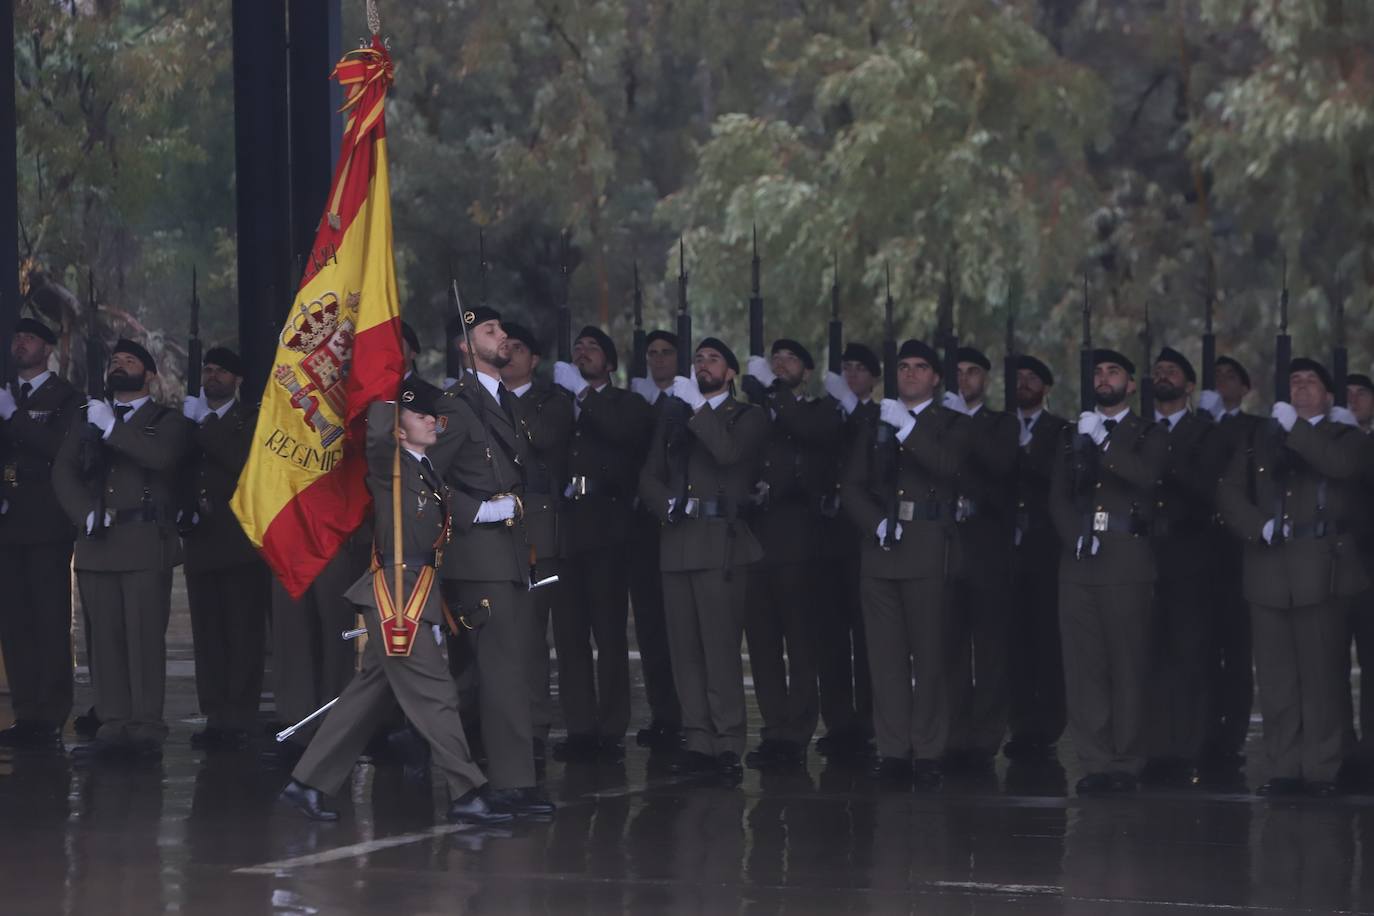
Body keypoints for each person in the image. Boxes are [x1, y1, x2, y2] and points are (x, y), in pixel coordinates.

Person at [279, 384, 511, 825]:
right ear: (399, 431)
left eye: (431, 414)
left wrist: (488, 510)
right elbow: (378, 436)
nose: (430, 419)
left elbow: (449, 511)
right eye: (417, 414)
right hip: (396, 599)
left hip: (417, 591)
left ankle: (305, 784)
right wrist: (385, 387)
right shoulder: (392, 467)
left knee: (364, 699)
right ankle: (468, 792)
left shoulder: (425, 471)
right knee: (437, 693)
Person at [1218, 358, 1371, 797]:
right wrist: (1257, 525)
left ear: (1327, 396)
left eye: (1311, 383)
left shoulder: (1346, 437)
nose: (1301, 389)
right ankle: (1284, 767)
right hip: (1269, 567)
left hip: (1321, 568)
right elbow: (1229, 490)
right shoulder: (1259, 437)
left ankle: (1321, 769)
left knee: (1321, 677)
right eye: (1294, 383)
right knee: (1278, 679)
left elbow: (1340, 468)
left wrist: (1297, 431)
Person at [431, 306, 554, 817]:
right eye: (489, 331)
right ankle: (508, 782)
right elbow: (422, 475)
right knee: (499, 671)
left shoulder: (503, 400)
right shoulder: (456, 406)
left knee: (507, 669)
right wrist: (474, 510)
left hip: (509, 552)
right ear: (465, 346)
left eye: (503, 329)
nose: (502, 336)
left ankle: (502, 776)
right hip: (477, 557)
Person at [52, 339, 191, 760]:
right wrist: (84, 515)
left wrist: (113, 429)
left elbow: (161, 458)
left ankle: (146, 727)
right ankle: (112, 726)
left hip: (143, 543)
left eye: (130, 361)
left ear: (149, 375)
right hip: (97, 544)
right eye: (115, 360)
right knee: (104, 643)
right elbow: (63, 472)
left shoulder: (167, 421)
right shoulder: (89, 418)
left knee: (143, 638)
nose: (120, 365)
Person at [840, 339, 968, 789]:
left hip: (929, 548)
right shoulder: (875, 420)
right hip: (882, 550)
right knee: (885, 659)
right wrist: (875, 525)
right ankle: (893, 750)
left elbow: (950, 467)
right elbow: (851, 485)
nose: (910, 374)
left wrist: (908, 432)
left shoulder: (950, 422)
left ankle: (929, 750)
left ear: (935, 377)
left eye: (919, 368)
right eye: (903, 367)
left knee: (930, 657)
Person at [638, 337, 767, 781]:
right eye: (698, 359)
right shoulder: (673, 415)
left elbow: (730, 457)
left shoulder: (747, 416)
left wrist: (698, 410)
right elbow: (649, 476)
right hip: (677, 541)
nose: (703, 365)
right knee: (685, 651)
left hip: (720, 543)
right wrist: (664, 502)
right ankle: (698, 739)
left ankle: (728, 742)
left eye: (714, 359)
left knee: (719, 648)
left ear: (730, 373)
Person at [1049, 348, 1167, 794]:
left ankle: (1127, 762)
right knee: (1085, 668)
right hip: (1080, 559)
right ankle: (1094, 762)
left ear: (1131, 384)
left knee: (1127, 664)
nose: (1103, 378)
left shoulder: (1147, 433)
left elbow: (1146, 476)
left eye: (1113, 371)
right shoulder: (1070, 434)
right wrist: (1072, 534)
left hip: (1126, 557)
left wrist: (1104, 442)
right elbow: (1058, 496)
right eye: (1097, 372)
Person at [550, 326, 653, 761]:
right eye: (578, 347)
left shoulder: (626, 402)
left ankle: (611, 729)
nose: (582, 353)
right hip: (566, 527)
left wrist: (584, 398)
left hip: (608, 525)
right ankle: (579, 727)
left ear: (609, 363)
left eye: (593, 348)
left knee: (609, 635)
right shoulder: (556, 402)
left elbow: (623, 436)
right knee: (570, 636)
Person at [740, 338, 841, 768]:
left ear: (808, 372)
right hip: (757, 540)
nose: (781, 364)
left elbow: (807, 431)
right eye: (775, 358)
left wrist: (772, 392)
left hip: (799, 541)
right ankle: (774, 728)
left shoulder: (818, 409)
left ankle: (797, 732)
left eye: (791, 360)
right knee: (763, 646)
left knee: (800, 645)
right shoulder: (755, 411)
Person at [1143, 347, 1228, 787]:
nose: (1163, 377)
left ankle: (1190, 749)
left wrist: (1159, 453)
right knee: (1150, 656)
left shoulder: (1205, 432)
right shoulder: (1137, 430)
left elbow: (1207, 487)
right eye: (1157, 372)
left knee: (1190, 656)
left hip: (1190, 555)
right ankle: (1157, 749)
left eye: (1172, 372)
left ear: (1190, 385)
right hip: (1144, 556)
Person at [178, 347, 270, 750]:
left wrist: (203, 426)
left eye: (221, 371)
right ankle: (215, 715)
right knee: (209, 636)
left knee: (242, 634)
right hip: (201, 542)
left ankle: (240, 716)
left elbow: (241, 461)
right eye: (208, 370)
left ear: (238, 380)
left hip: (239, 544)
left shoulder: (249, 420)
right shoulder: (191, 421)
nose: (211, 376)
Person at [0, 318, 82, 747]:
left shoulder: (65, 397)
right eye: (17, 337)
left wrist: (14, 418)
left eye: (29, 338)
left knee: (49, 621)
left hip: (47, 522)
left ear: (47, 349)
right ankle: (26, 711)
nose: (20, 343)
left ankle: (51, 713)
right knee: (14, 623)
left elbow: (58, 450)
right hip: (9, 524)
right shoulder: (7, 393)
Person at [499, 321, 573, 762]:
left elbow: (539, 440)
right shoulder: (482, 399)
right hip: (492, 528)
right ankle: (495, 725)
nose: (507, 354)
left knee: (528, 637)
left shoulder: (552, 402)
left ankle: (534, 728)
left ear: (536, 360)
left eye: (518, 348)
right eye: (502, 346)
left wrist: (500, 400)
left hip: (535, 531)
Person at [942, 345, 1019, 772]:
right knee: (949, 649)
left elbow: (999, 466)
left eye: (972, 372)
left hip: (987, 550)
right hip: (948, 549)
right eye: (957, 372)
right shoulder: (936, 423)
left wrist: (962, 426)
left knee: (990, 652)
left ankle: (986, 738)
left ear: (985, 380)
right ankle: (955, 734)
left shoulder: (1001, 424)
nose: (964, 380)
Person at [1194, 355, 1260, 778]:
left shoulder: (1252, 428)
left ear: (1245, 388)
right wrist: (1203, 423)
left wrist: (1214, 427)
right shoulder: (1198, 425)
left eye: (1230, 377)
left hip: (1235, 553)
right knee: (1201, 649)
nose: (1220, 383)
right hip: (1200, 552)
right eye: (1215, 377)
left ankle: (1232, 734)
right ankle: (1202, 731)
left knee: (1236, 653)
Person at [815, 343, 881, 759]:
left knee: (869, 638)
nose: (853, 376)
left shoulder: (880, 415)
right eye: (847, 369)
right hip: (827, 539)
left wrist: (851, 407)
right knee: (832, 639)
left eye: (861, 369)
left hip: (864, 540)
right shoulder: (825, 413)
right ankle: (839, 722)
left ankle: (871, 720)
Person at [1003, 354, 1069, 762]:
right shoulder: (997, 427)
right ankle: (1021, 724)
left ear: (1046, 388)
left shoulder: (1061, 431)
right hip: (1007, 551)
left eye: (1032, 379)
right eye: (1018, 378)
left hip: (1047, 548)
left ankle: (1049, 725)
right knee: (1014, 643)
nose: (1024, 384)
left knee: (1048, 641)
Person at [626, 330, 685, 749]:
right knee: (649, 626)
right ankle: (664, 712)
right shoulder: (636, 400)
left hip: (676, 522)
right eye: (652, 354)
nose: (659, 360)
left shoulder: (686, 401)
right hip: (640, 527)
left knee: (679, 625)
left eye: (667, 353)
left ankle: (686, 714)